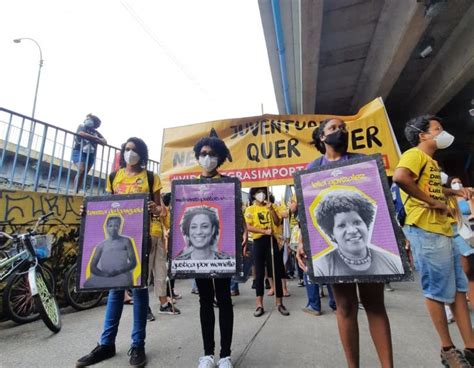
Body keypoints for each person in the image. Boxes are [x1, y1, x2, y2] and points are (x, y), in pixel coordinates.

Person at [297, 117, 394, 368]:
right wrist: (301, 241)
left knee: (374, 305)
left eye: (343, 128)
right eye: (333, 128)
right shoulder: (312, 168)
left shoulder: (364, 162)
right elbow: (306, 212)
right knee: (345, 306)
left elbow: (381, 203)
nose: (340, 131)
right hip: (334, 253)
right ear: (322, 137)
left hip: (371, 246)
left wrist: (396, 236)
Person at [393, 115, 474, 367]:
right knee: (437, 291)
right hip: (425, 229)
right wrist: (433, 203)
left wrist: (455, 191)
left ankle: (470, 347)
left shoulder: (430, 162)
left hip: (443, 229)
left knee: (459, 291)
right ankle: (447, 349)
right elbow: (400, 177)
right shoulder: (413, 155)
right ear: (423, 135)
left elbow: (432, 189)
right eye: (437, 129)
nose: (443, 132)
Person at [76, 137, 162, 368]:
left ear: (141, 153)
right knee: (115, 290)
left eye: (134, 149)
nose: (129, 152)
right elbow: (107, 208)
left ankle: (138, 344)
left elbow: (162, 209)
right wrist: (89, 209)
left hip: (143, 236)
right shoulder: (114, 177)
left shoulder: (151, 177)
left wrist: (157, 208)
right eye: (126, 149)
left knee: (140, 289)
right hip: (121, 236)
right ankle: (106, 344)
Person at [188, 136, 245, 368]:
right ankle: (207, 354)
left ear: (220, 157)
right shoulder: (189, 186)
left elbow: (236, 215)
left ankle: (225, 355)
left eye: (211, 154)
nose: (206, 157)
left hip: (223, 249)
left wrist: (243, 234)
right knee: (204, 300)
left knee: (223, 298)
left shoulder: (230, 183)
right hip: (199, 253)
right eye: (202, 153)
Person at [312, 189, 403, 277]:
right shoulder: (320, 268)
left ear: (366, 224)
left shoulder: (394, 262)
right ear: (332, 233)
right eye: (342, 225)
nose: (352, 230)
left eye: (357, 222)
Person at [245, 187, 290, 317]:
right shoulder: (250, 209)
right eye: (258, 192)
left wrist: (271, 209)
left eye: (263, 192)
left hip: (272, 241)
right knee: (259, 273)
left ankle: (279, 303)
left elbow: (277, 221)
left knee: (276, 271)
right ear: (253, 195)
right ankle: (259, 304)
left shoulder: (272, 206)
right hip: (259, 242)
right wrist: (263, 231)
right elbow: (249, 226)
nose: (261, 194)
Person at [84, 216, 138, 288]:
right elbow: (92, 267)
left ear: (119, 227)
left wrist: (118, 271)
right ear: (106, 227)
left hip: (122, 275)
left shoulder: (126, 241)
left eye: (116, 225)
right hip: (104, 276)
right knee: (87, 284)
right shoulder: (101, 245)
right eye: (110, 226)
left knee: (120, 287)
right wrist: (104, 275)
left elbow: (133, 263)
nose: (113, 228)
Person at [72, 114, 106, 193]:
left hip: (91, 155)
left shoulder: (96, 132)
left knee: (84, 173)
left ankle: (77, 190)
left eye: (89, 119)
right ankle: (75, 191)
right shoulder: (82, 126)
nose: (86, 120)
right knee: (81, 169)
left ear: (94, 122)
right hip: (79, 151)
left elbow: (104, 141)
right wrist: (96, 139)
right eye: (87, 119)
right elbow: (81, 133)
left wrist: (95, 138)